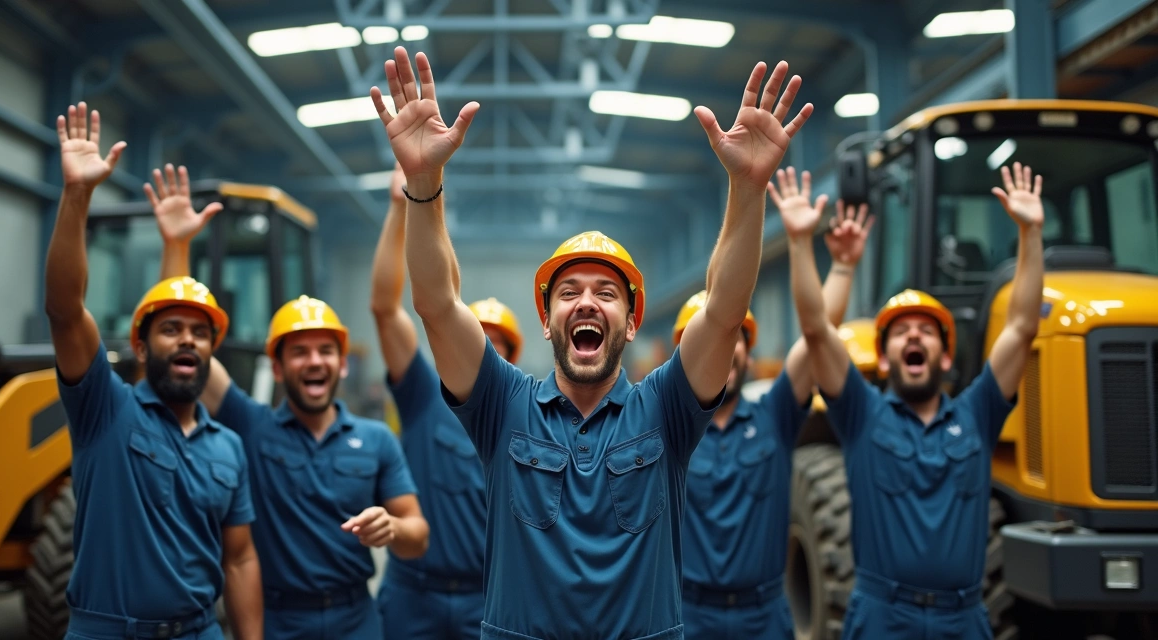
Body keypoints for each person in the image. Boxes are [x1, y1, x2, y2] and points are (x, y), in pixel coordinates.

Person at [370, 45, 813, 639]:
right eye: (568, 292)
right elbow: (435, 303)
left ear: (631, 324)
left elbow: (725, 309)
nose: (586, 302)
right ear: (547, 318)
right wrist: (424, 185)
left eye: (607, 294)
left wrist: (748, 190)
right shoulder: (501, 406)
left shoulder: (667, 410)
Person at [145, 163, 429, 640]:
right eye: (298, 352)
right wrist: (177, 247)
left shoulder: (376, 440)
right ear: (277, 369)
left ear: (342, 364)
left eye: (324, 351)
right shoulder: (249, 427)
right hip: (276, 620)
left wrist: (393, 530)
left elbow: (418, 535)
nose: (312, 361)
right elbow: (186, 349)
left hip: (357, 619)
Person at [791, 162, 1045, 640]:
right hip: (883, 618)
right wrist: (818, 253)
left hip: (963, 619)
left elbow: (1022, 328)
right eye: (901, 332)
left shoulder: (978, 413)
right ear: (883, 359)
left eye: (926, 332)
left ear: (945, 355)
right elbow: (816, 331)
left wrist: (1030, 233)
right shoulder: (861, 414)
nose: (914, 338)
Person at [44, 102, 262, 640]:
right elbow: (66, 310)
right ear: (140, 348)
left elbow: (239, 560)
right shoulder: (106, 412)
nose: (187, 337)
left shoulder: (227, 447)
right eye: (169, 330)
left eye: (200, 331)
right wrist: (76, 196)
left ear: (212, 350)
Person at [677, 170, 874, 638]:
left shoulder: (775, 417)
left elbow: (818, 336)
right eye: (706, 344)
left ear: (749, 351)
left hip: (764, 617)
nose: (724, 353)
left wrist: (839, 266)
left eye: (735, 341)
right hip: (688, 616)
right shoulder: (668, 431)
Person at [369, 163, 524, 640]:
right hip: (414, 595)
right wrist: (401, 208)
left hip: (490, 600)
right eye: (481, 338)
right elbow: (384, 307)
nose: (488, 351)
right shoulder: (422, 393)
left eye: (500, 344)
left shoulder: (528, 416)